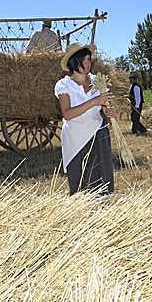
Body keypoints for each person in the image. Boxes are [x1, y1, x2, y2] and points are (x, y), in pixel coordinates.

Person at [54, 43, 115, 197]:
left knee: (99, 180)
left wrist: (109, 111)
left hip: (98, 134)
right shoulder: (64, 85)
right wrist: (94, 102)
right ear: (75, 61)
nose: (89, 63)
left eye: (89, 60)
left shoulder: (97, 81)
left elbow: (105, 108)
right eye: (85, 60)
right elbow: (67, 114)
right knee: (79, 180)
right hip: (76, 138)